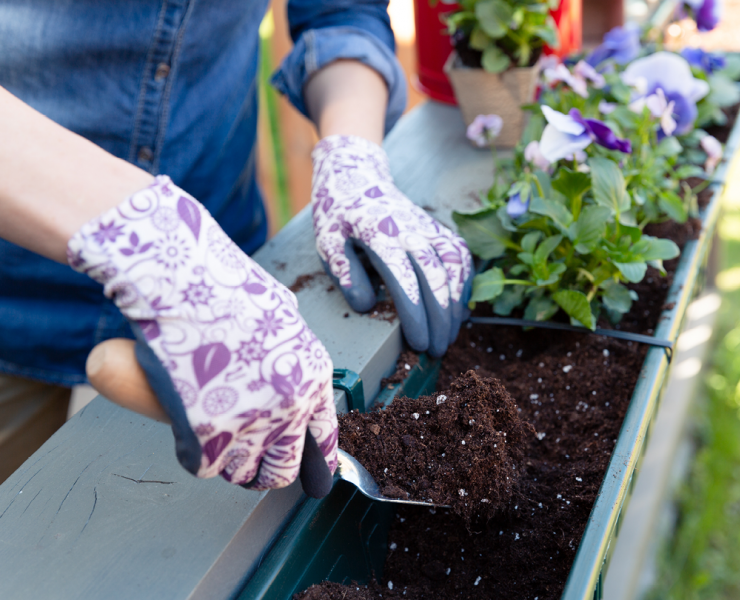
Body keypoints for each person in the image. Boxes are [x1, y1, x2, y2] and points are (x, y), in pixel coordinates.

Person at [0, 1, 473, 488]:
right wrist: (149, 229)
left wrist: (352, 153)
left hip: (225, 290)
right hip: (14, 281)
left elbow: (341, 12)